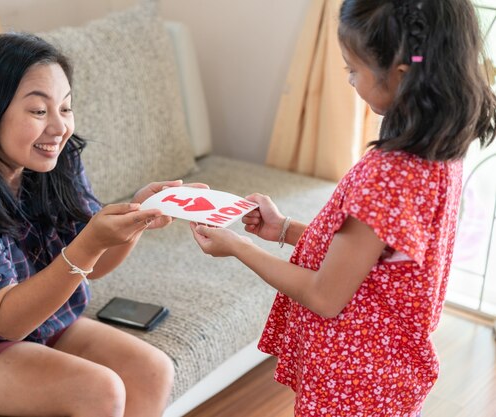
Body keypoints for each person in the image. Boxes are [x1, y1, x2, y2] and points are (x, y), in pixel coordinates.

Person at [190, 0, 496, 416]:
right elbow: (374, 259)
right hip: (389, 371)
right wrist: (284, 229)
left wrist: (236, 247)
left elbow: (325, 296)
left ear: (401, 77)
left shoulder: (386, 175)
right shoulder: (440, 153)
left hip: (352, 378)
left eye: (353, 69)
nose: (350, 80)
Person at [0, 32, 200, 417]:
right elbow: (6, 319)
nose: (58, 128)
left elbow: (93, 266)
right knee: (98, 391)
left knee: (152, 370)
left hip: (41, 322)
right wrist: (90, 241)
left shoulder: (56, 160)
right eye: (38, 111)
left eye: (65, 109)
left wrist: (136, 217)